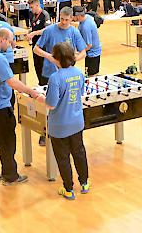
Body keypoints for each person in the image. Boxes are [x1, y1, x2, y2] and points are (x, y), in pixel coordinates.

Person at [0, 28, 44, 186]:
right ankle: (10, 176)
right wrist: (32, 93)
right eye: (10, 40)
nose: (12, 44)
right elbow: (12, 81)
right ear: (2, 39)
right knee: (7, 142)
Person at [43, 41, 90, 199]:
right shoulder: (79, 73)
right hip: (77, 122)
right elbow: (80, 93)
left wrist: (40, 98)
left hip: (59, 126)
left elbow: (51, 104)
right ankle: (84, 183)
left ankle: (68, 189)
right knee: (79, 152)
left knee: (63, 157)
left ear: (56, 59)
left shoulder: (55, 78)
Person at [33, 7, 87, 85]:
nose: (64, 22)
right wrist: (49, 57)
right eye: (62, 19)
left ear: (71, 18)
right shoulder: (49, 30)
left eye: (66, 20)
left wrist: (72, 60)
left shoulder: (74, 32)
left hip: (67, 73)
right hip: (49, 72)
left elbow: (83, 53)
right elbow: (36, 49)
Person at [25, 0, 51, 85]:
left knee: (43, 66)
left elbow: (47, 29)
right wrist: (29, 31)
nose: (31, 9)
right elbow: (34, 26)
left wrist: (34, 33)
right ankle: (40, 83)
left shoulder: (45, 15)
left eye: (32, 7)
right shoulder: (32, 15)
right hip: (35, 44)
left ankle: (45, 84)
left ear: (37, 5)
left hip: (44, 45)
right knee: (37, 65)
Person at [74, 6, 101, 76]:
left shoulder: (85, 27)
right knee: (88, 73)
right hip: (92, 52)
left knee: (91, 75)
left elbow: (89, 45)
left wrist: (78, 53)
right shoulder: (87, 17)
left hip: (93, 54)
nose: (72, 18)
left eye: (73, 16)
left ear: (78, 16)